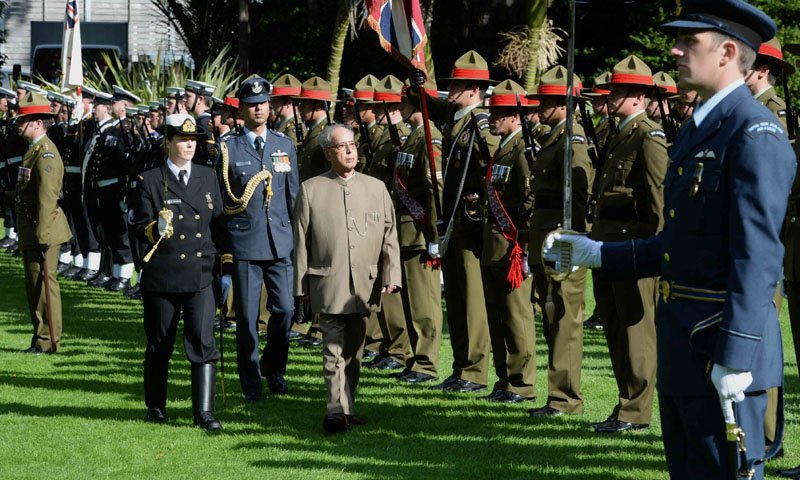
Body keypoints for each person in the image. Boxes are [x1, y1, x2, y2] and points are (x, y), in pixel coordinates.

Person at [544, 0, 794, 476]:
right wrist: (598, 254)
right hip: (684, 344)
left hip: (720, 347)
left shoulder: (753, 133)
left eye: (688, 42)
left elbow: (758, 257)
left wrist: (736, 356)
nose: (675, 51)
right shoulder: (701, 129)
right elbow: (681, 242)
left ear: (725, 52)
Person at [293, 123, 400, 433]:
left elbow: (389, 236)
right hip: (328, 283)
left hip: (365, 286)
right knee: (333, 351)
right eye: (342, 146)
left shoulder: (375, 188)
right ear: (328, 153)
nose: (351, 150)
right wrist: (301, 288)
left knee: (354, 353)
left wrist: (391, 275)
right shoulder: (311, 189)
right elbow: (301, 242)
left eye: (352, 144)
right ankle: (335, 411)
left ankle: (347, 406)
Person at [132, 113, 230, 431]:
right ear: (169, 142)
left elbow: (218, 224)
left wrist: (225, 265)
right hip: (163, 274)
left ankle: (204, 413)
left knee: (202, 340)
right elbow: (137, 225)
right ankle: (156, 407)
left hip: (200, 273)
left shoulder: (207, 176)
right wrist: (153, 227)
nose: (189, 145)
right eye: (183, 140)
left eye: (193, 140)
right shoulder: (150, 179)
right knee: (160, 343)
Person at [409, 50, 499, 393]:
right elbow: (429, 103)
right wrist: (419, 82)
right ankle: (461, 366)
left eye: (458, 85)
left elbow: (491, 170)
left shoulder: (479, 123)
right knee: (458, 297)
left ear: (474, 89)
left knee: (473, 299)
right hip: (454, 222)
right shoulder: (459, 117)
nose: (452, 90)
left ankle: (475, 370)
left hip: (472, 221)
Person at [589, 55, 668, 433]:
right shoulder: (619, 133)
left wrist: (656, 251)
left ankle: (636, 411)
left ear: (638, 97)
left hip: (634, 247)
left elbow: (657, 200)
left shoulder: (647, 136)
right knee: (615, 327)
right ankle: (625, 403)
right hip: (608, 246)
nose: (612, 96)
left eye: (619, 91)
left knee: (636, 331)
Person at [219, 76, 298, 402]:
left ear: (269, 106)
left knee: (285, 311)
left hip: (279, 240)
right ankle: (251, 382)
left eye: (263, 104)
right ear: (242, 109)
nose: (259, 110)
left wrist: (299, 238)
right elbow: (222, 199)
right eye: (252, 106)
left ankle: (274, 367)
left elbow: (293, 196)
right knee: (248, 318)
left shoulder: (284, 144)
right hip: (245, 243)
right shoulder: (228, 147)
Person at [525, 66, 593, 416]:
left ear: (566, 105)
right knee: (552, 315)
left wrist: (571, 237)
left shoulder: (572, 139)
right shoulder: (554, 136)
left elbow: (578, 192)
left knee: (565, 318)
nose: (541, 109)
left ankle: (566, 399)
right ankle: (557, 396)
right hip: (546, 236)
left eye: (549, 102)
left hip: (563, 238)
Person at [480, 79, 537, 403]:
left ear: (516, 116)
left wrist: (523, 244)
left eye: (500, 112)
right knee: (498, 315)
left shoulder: (521, 151)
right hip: (494, 244)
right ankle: (504, 380)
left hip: (511, 244)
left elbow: (529, 199)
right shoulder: (503, 147)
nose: (493, 116)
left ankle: (522, 383)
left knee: (516, 316)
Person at [5, 91, 71, 353]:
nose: (18, 125)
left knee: (44, 286)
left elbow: (47, 199)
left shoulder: (46, 155)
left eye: (23, 121)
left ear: (38, 123)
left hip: (43, 229)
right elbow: (28, 193)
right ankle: (40, 337)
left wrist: (42, 237)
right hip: (33, 228)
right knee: (34, 286)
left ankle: (47, 341)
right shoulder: (34, 151)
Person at [392, 78, 443, 384]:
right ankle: (416, 358)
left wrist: (434, 235)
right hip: (406, 230)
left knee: (424, 303)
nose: (400, 106)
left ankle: (426, 363)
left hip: (420, 229)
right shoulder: (413, 136)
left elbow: (433, 187)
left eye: (405, 101)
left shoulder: (428, 136)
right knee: (412, 301)